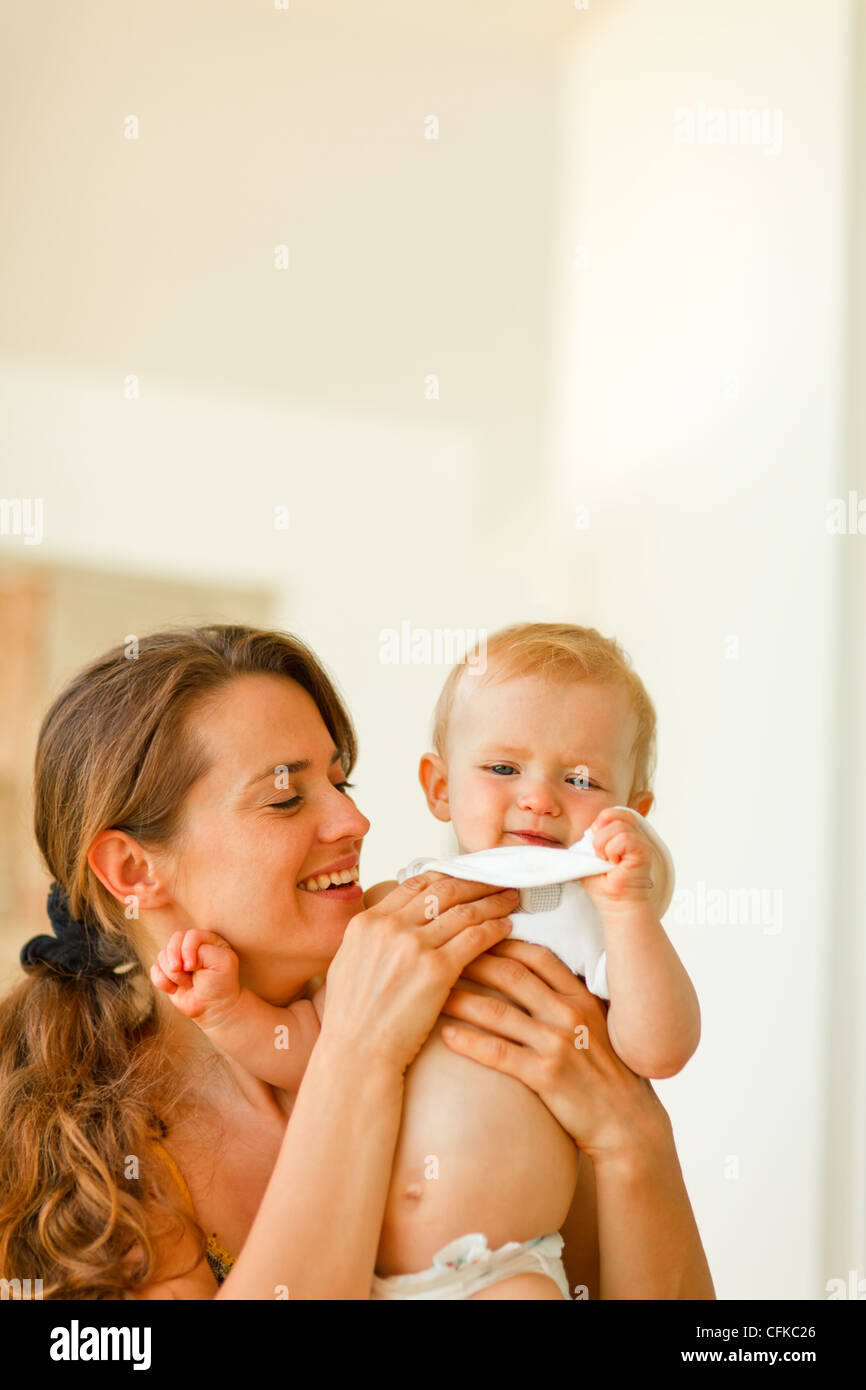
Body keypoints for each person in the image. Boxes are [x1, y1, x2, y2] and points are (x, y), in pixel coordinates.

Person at [0, 625, 714, 1299]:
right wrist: (359, 1050)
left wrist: (632, 1137)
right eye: (285, 798)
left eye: (343, 785)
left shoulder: (499, 1022)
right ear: (132, 869)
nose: (354, 823)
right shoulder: (83, 1156)